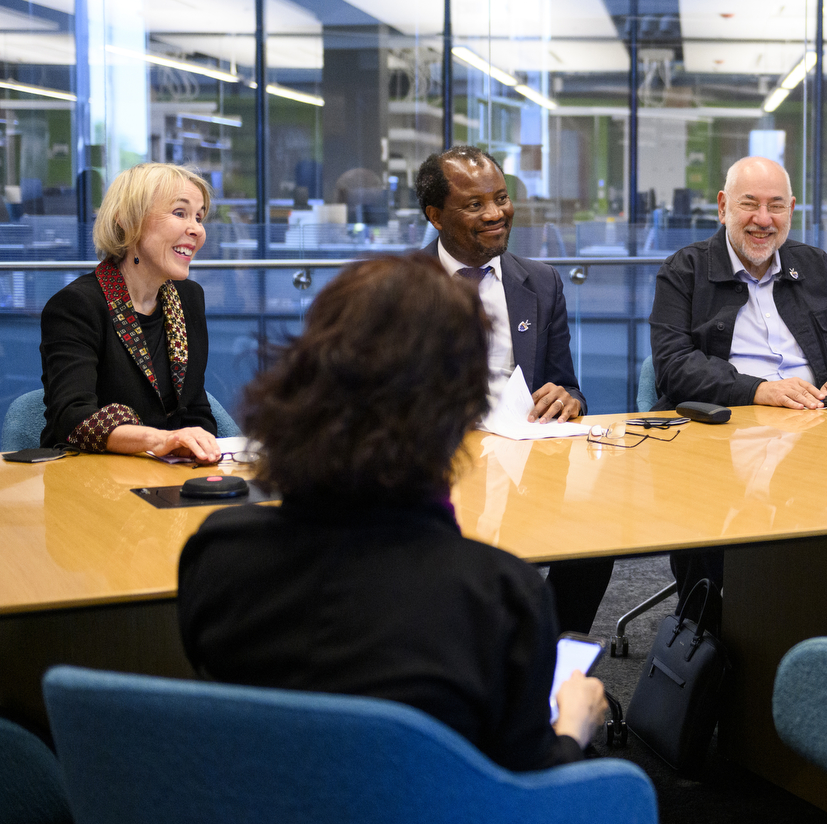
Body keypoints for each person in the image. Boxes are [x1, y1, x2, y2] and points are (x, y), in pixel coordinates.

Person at [178, 255, 607, 772]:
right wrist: (573, 729)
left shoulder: (217, 554)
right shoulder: (496, 597)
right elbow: (526, 782)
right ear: (459, 415)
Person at [650, 155, 827, 600]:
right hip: (721, 433)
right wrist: (758, 389)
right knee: (723, 562)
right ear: (722, 207)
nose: (762, 220)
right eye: (749, 205)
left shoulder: (816, 266)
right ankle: (708, 620)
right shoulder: (684, 270)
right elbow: (674, 366)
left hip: (816, 428)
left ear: (791, 209)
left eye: (776, 206)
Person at [416, 145, 611, 636]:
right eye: (475, 205)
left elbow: (567, 383)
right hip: (436, 467)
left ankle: (549, 650)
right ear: (435, 216)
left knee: (597, 540)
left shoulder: (541, 283)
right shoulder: (398, 287)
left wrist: (569, 398)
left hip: (525, 463)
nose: (495, 214)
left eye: (501, 199)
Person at [39, 162, 220, 462]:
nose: (197, 230)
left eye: (199, 217)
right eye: (180, 213)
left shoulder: (189, 298)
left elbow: (197, 411)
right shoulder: (75, 306)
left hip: (167, 474)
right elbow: (72, 418)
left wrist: (198, 449)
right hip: (87, 480)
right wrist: (162, 439)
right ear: (128, 220)